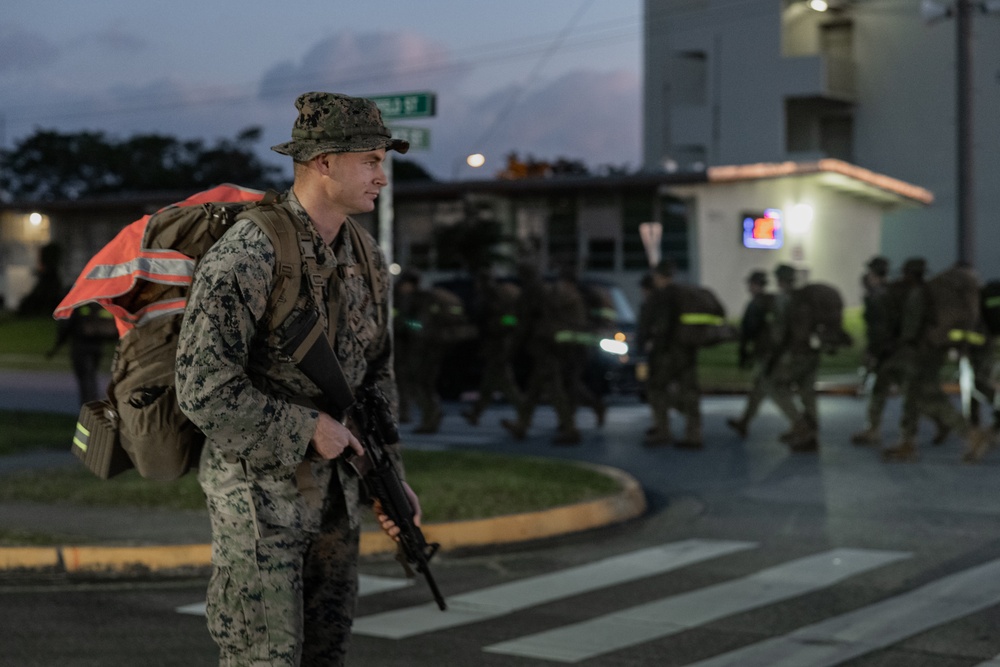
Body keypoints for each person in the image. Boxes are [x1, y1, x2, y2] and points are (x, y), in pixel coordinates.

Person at [175, 91, 416, 667]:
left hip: (336, 495)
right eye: (371, 160)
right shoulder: (250, 253)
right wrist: (307, 427)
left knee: (324, 652)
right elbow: (201, 386)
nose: (381, 176)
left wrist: (390, 479)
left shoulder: (367, 256)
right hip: (260, 501)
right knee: (265, 657)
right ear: (324, 162)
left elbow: (376, 376)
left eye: (383, 160)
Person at [880, 258, 985, 462]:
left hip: (921, 351)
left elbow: (912, 328)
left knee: (926, 394)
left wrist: (902, 345)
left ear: (909, 274)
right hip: (934, 349)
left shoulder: (920, 294)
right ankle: (907, 442)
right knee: (914, 395)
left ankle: (970, 434)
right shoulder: (934, 293)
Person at [501, 261, 580, 444]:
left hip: (545, 346)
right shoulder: (547, 289)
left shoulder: (530, 294)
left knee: (553, 388)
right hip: (553, 344)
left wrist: (509, 352)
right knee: (534, 389)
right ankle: (522, 424)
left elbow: (522, 325)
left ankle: (570, 428)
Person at [637, 259, 703, 448]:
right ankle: (694, 434)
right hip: (687, 350)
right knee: (689, 391)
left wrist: (647, 344)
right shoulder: (685, 294)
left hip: (666, 353)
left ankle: (663, 430)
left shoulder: (659, 297)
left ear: (658, 276)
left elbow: (654, 326)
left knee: (657, 389)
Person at [767, 263, 821, 452]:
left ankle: (800, 426)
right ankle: (811, 434)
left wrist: (774, 354)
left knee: (775, 386)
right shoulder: (806, 298)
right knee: (807, 393)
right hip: (811, 352)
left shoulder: (782, 300)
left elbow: (779, 333)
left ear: (780, 280)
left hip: (793, 354)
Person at [461, 269, 525, 426]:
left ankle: (524, 415)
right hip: (494, 344)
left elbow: (510, 319)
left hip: (501, 344)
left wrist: (495, 325)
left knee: (506, 384)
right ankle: (475, 413)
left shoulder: (499, 296)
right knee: (489, 383)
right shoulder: (487, 296)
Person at [726, 269, 776, 438]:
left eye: (751, 284)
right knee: (758, 389)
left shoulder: (755, 304)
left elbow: (748, 331)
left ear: (755, 285)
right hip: (773, 352)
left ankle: (800, 424)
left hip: (763, 352)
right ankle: (744, 422)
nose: (749, 287)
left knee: (772, 389)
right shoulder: (772, 302)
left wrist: (743, 353)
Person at [45, 303, 117, 405]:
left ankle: (89, 405)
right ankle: (93, 402)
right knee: (91, 376)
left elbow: (66, 326)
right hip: (97, 346)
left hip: (81, 346)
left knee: (85, 378)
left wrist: (56, 347)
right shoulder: (96, 303)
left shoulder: (77, 304)